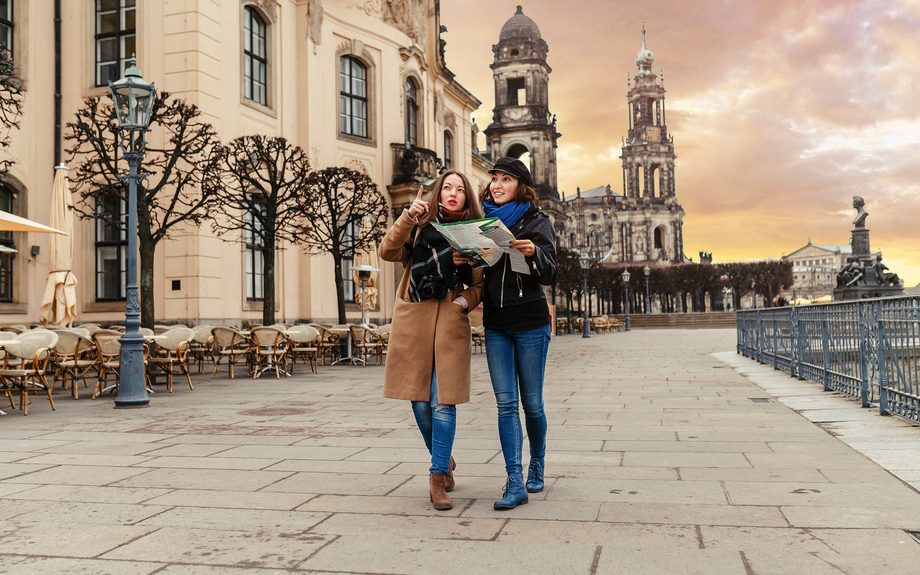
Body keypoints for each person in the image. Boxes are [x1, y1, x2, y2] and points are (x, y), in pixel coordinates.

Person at [378, 170, 484, 511]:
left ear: (468, 198)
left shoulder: (474, 235)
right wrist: (408, 216)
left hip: (450, 325)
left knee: (442, 402)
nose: (453, 194)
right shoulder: (420, 226)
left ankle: (437, 478)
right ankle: (445, 457)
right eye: (447, 188)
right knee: (419, 403)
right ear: (438, 193)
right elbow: (387, 251)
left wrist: (463, 300)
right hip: (415, 321)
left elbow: (481, 284)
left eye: (460, 190)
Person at [477, 157, 557, 510]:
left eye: (505, 179)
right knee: (505, 404)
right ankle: (514, 479)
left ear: (519, 185)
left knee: (532, 404)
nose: (496, 184)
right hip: (495, 322)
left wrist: (533, 252)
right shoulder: (481, 223)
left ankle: (537, 462)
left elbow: (552, 272)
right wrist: (466, 261)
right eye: (494, 178)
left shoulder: (538, 221)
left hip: (530, 322)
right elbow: (478, 277)